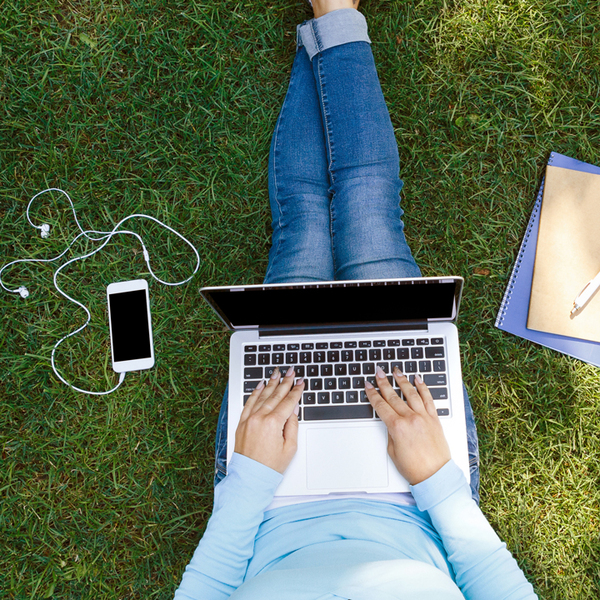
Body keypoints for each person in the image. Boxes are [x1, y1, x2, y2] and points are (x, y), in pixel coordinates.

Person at [174, 2, 538, 598]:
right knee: (370, 217)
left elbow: (209, 584)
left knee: (303, 227)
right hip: (419, 499)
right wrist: (439, 481)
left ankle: (327, 26)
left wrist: (248, 480)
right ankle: (334, 17)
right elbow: (495, 580)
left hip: (265, 502)